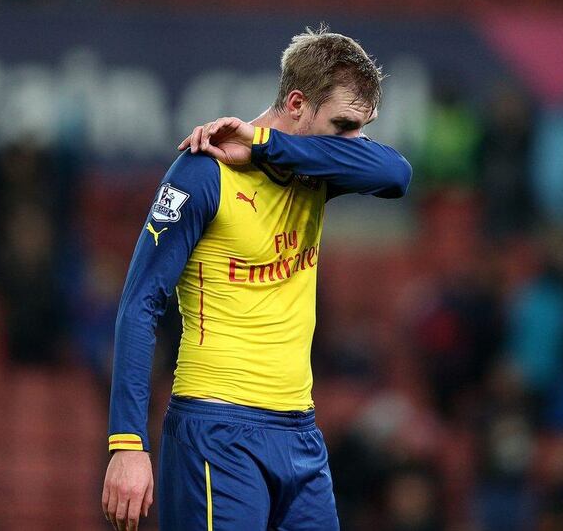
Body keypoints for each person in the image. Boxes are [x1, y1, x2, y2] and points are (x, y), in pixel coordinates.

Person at [102, 26, 412, 531]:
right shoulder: (202, 172)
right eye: (343, 126)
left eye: (363, 129)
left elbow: (397, 175)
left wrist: (265, 144)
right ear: (296, 102)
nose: (353, 145)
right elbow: (140, 305)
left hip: (299, 434)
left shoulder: (312, 167)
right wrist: (127, 444)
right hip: (215, 428)